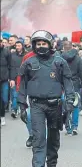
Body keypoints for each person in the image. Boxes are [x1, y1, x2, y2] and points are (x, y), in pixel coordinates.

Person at [17, 30, 75, 167]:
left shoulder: (60, 62)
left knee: (54, 141)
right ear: (34, 45)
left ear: (50, 44)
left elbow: (68, 84)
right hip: (36, 105)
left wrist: (70, 102)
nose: (41, 46)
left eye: (44, 43)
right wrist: (22, 106)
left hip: (55, 106)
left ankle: (52, 164)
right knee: (39, 139)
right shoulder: (28, 63)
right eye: (38, 44)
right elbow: (22, 86)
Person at [61, 41, 82, 135]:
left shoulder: (59, 58)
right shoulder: (78, 58)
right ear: (72, 47)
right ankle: (74, 126)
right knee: (75, 105)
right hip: (74, 84)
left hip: (63, 84)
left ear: (63, 48)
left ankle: (67, 126)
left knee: (65, 105)